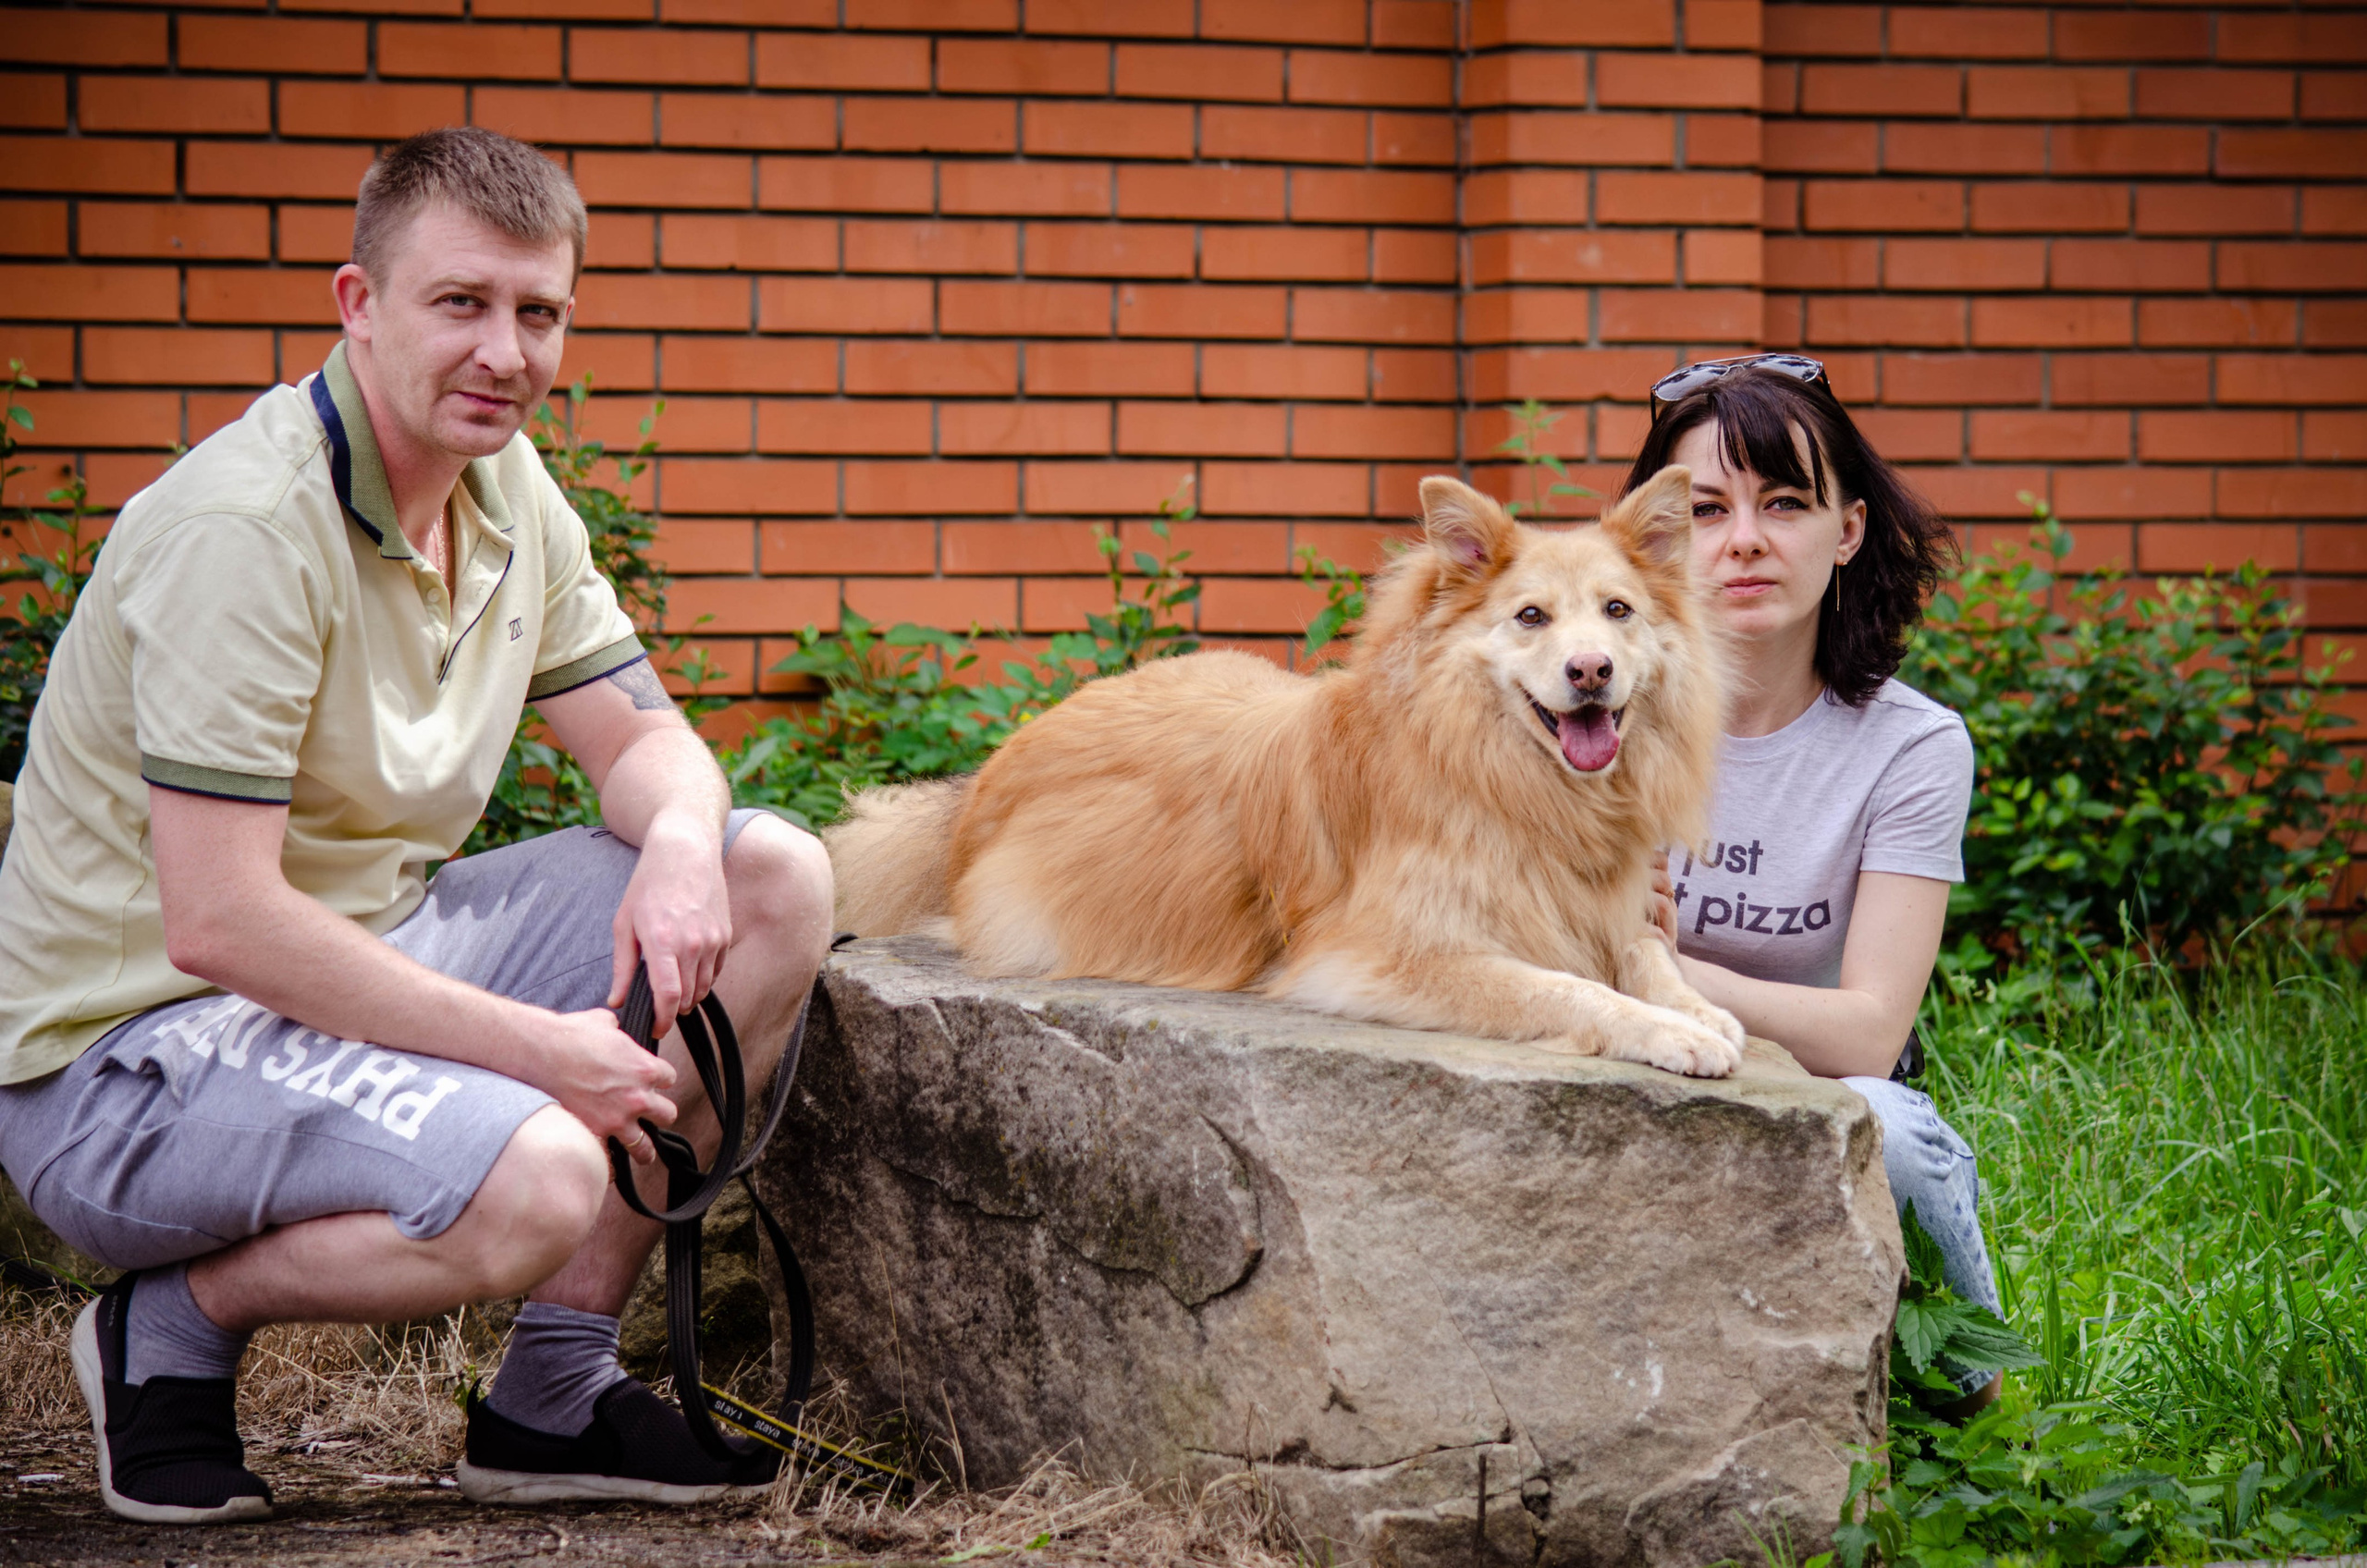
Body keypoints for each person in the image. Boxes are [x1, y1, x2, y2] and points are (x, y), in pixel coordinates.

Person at [0, 127, 834, 1523]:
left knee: (773, 876)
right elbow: (221, 920)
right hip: (130, 1055)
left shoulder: (505, 492)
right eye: (462, 304)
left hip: (357, 958)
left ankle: (552, 1399)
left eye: (538, 311)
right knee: (542, 1174)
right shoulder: (248, 532)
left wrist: (687, 845)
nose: (505, 352)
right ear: (358, 304)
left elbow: (638, 735)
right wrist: (540, 1053)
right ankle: (170, 1330)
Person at [1626, 355, 2004, 1411]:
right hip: (1632, 1081)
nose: (1742, 538)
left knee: (1896, 1126)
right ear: (1658, 538)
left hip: (1822, 1098)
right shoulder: (1594, 714)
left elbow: (1870, 1035)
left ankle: (1971, 1407)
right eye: (1705, 508)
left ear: (1844, 532)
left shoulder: (1911, 747)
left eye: (1783, 502)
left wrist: (1656, 964)